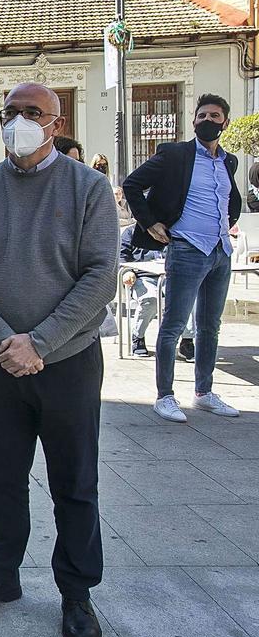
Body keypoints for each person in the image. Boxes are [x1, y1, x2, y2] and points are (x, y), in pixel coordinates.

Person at [0, 82, 117, 637]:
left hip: (66, 361)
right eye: (11, 112)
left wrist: (39, 341)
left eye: (32, 113)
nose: (20, 121)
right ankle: (1, 575)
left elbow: (99, 276)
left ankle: (76, 592)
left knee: (74, 482)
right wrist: (5, 341)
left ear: (55, 121)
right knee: (0, 478)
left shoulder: (88, 188)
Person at [123, 93, 243, 423]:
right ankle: (165, 396)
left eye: (214, 116)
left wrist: (230, 221)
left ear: (225, 123)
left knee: (210, 326)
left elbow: (230, 197)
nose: (207, 121)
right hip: (187, 249)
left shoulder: (227, 161)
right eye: (201, 115)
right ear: (193, 122)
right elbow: (132, 184)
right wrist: (149, 222)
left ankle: (204, 392)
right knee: (174, 324)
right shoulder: (175, 155)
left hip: (220, 251)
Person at [119, 225, 195, 358]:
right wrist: (128, 272)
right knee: (150, 298)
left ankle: (187, 341)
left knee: (187, 296)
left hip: (170, 275)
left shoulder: (172, 230)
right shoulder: (131, 232)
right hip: (142, 276)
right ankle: (138, 336)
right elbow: (120, 256)